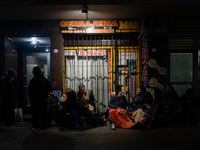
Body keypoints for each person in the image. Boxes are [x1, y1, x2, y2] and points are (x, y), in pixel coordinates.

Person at [28, 66, 52, 131]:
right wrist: (46, 94)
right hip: (43, 99)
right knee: (43, 113)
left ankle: (35, 126)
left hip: (35, 99)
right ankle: (44, 126)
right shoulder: (45, 80)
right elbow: (50, 88)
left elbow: (29, 90)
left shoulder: (33, 80)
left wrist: (31, 97)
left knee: (35, 113)